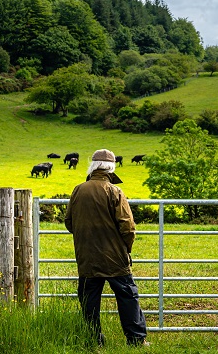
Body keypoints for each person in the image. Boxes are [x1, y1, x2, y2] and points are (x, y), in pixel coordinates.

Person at [65, 148, 148, 347]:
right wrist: (125, 249)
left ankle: (94, 340)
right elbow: (127, 226)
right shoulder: (114, 191)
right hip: (114, 257)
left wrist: (85, 238)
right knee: (127, 295)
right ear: (111, 168)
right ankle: (136, 340)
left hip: (87, 256)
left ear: (93, 166)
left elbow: (69, 222)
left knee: (89, 299)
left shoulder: (78, 189)